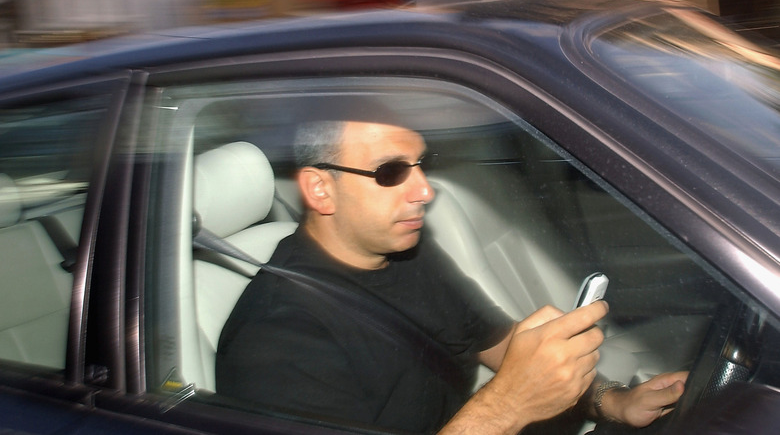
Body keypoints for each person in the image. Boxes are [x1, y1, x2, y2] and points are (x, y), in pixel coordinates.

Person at [216, 114, 687, 434]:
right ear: (321, 189)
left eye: (421, 165)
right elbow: (511, 391)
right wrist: (509, 405)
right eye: (391, 172)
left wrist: (614, 401)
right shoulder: (275, 340)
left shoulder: (407, 253)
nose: (424, 190)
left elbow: (500, 343)